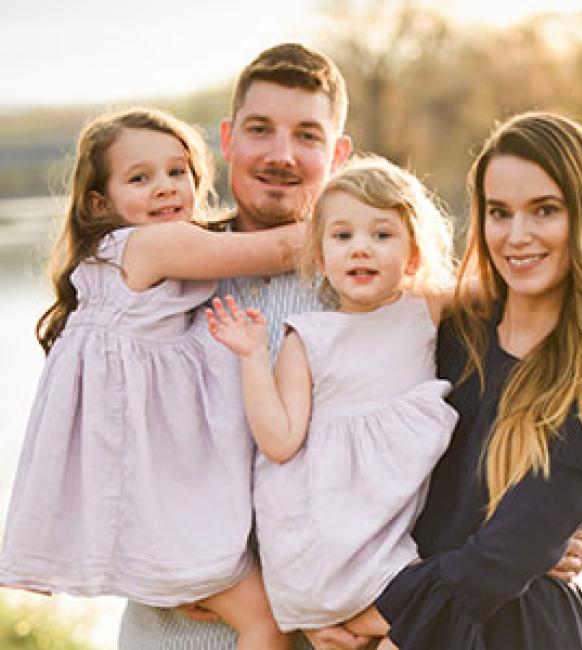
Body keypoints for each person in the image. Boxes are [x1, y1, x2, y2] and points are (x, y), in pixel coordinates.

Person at [0, 105, 313, 649]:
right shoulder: (148, 245)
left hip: (141, 497)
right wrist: (371, 223)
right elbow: (282, 247)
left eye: (178, 172)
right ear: (101, 202)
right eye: (140, 178)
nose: (165, 188)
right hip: (158, 505)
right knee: (263, 621)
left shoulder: (107, 262)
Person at [367, 111, 582, 649]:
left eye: (545, 210)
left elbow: (493, 563)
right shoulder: (446, 334)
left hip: (517, 633)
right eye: (499, 212)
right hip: (407, 615)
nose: (517, 236)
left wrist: (370, 623)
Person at [117, 43, 357, 650]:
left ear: (339, 154)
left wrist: (561, 518)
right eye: (259, 130)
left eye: (306, 135)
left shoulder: (378, 288)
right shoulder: (153, 274)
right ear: (226, 139)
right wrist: (159, 550)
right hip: (169, 633)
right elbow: (90, 444)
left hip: (329, 632)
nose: (280, 155)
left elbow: (473, 419)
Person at [206, 154, 459, 638]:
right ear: (321, 257)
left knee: (423, 608)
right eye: (342, 236)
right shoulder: (307, 337)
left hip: (385, 531)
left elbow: (505, 295)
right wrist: (253, 357)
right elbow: (279, 441)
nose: (360, 249)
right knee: (422, 607)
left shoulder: (424, 307)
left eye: (382, 235)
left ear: (412, 254)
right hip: (323, 533)